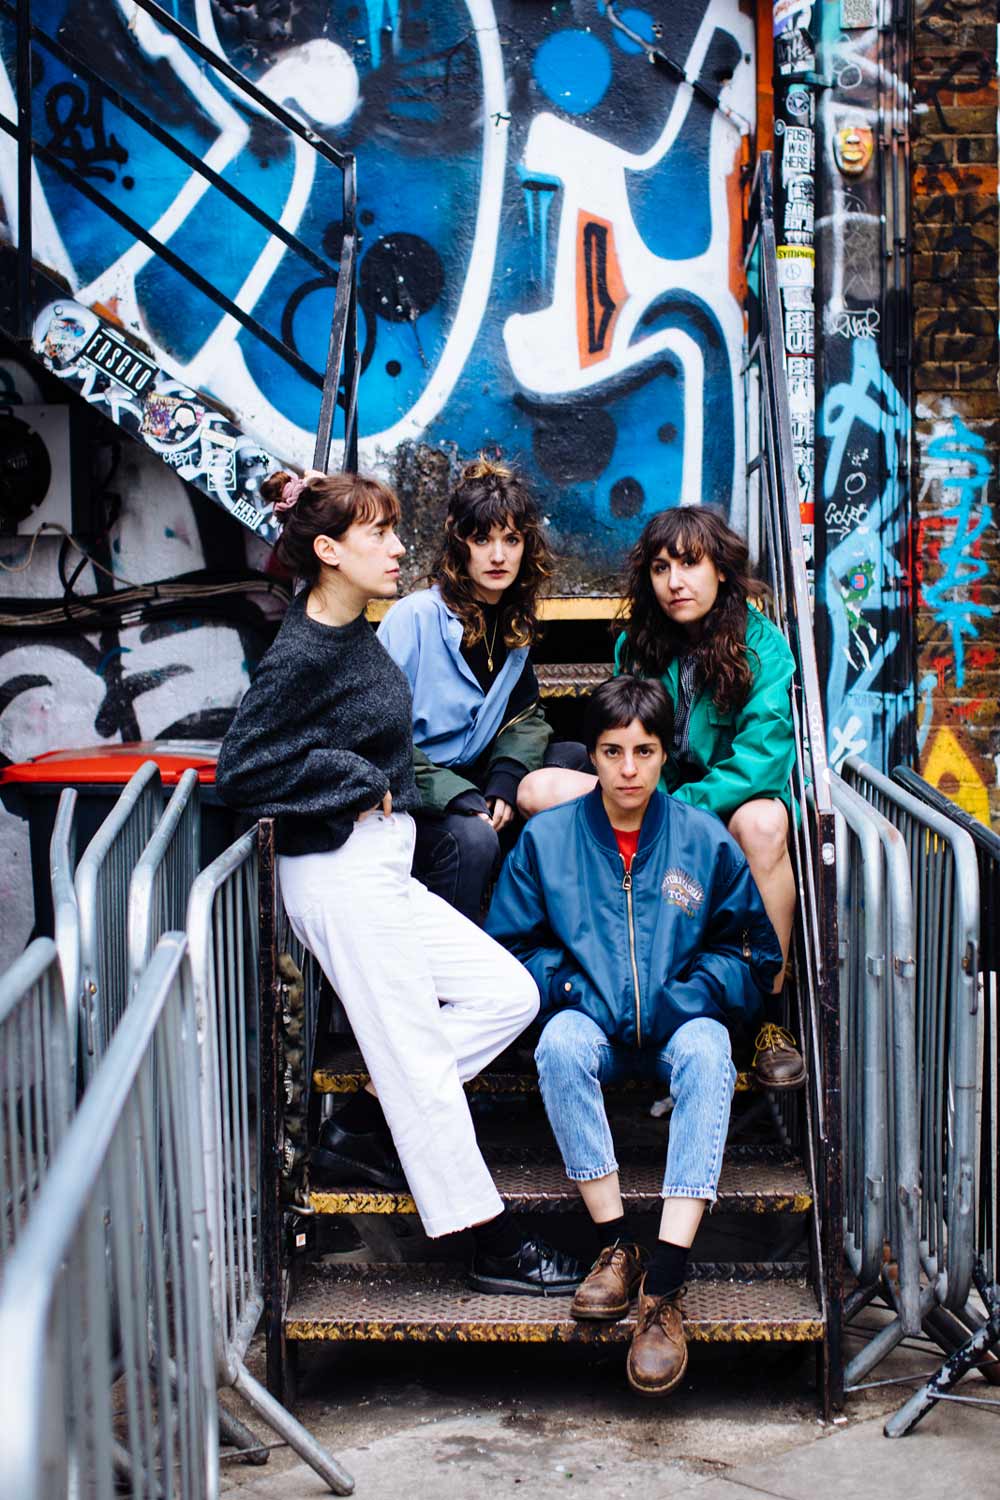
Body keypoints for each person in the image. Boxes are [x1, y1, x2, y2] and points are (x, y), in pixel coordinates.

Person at [215, 468, 582, 1296]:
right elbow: (240, 770)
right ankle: (493, 1243)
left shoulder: (351, 630)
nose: (397, 546)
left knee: (507, 994)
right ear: (328, 551)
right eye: (378, 532)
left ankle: (365, 1122)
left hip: (380, 868)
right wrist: (354, 777)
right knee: (418, 1060)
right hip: (339, 875)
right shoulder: (304, 650)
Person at [486, 676, 783, 1395]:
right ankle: (616, 1247)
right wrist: (576, 991)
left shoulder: (702, 838)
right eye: (612, 751)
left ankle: (665, 1286)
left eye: (644, 752)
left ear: (663, 755)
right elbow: (511, 948)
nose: (628, 769)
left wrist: (688, 995)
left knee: (711, 1049)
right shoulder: (548, 841)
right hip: (592, 1022)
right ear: (590, 755)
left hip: (679, 1024)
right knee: (559, 1044)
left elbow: (751, 951)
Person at [517, 506, 804, 1090]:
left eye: (690, 564)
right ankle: (591, 983)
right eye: (661, 567)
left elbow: (761, 761)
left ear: (720, 569)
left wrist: (678, 808)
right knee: (540, 789)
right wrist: (649, 796)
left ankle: (768, 1019)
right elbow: (629, 743)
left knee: (764, 825)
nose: (675, 581)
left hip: (721, 804)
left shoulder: (764, 647)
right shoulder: (638, 644)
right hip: (652, 795)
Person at [377, 456, 582, 924]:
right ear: (459, 544)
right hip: (414, 789)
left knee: (573, 759)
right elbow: (379, 738)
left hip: (473, 774)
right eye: (482, 539)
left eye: (511, 540)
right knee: (474, 838)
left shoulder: (512, 620)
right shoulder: (414, 618)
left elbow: (525, 716)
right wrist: (456, 795)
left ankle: (540, 927)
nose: (498, 556)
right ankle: (453, 956)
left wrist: (505, 781)